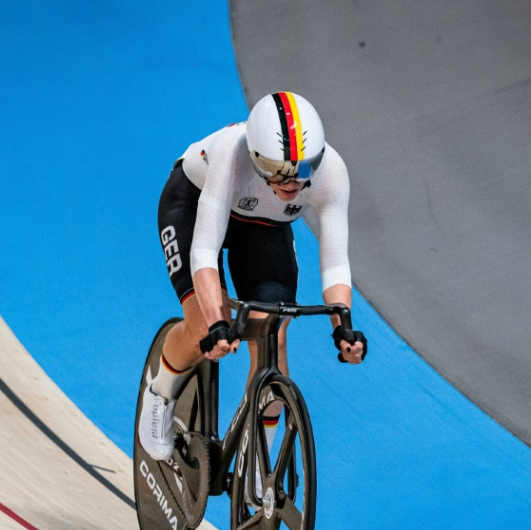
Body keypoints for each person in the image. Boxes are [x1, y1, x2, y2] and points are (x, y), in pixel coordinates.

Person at [139, 91, 367, 461]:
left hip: (263, 226)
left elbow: (336, 261)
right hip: (194, 205)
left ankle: (258, 461)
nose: (292, 183)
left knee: (271, 337)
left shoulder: (332, 171)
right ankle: (160, 393)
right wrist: (216, 322)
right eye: (278, 172)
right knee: (202, 327)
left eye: (304, 169)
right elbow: (204, 252)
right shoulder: (232, 156)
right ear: (256, 159)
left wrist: (343, 325)